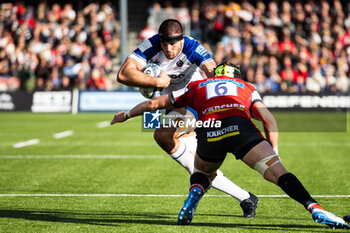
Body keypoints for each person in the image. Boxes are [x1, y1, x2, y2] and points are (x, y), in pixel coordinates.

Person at [111, 61, 349, 229]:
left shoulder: (197, 86)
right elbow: (267, 119)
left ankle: (195, 193)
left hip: (210, 129)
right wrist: (274, 153)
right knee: (279, 174)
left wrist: (127, 114)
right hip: (240, 127)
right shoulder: (245, 86)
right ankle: (314, 208)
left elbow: (154, 105)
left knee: (203, 172)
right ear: (236, 75)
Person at [117, 18, 258, 217]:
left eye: (172, 44)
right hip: (174, 103)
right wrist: (156, 81)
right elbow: (123, 74)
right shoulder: (151, 45)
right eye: (164, 43)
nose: (168, 48)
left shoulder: (192, 46)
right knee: (198, 166)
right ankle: (245, 197)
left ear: (181, 39)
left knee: (163, 135)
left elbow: (212, 70)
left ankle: (205, 191)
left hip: (195, 100)